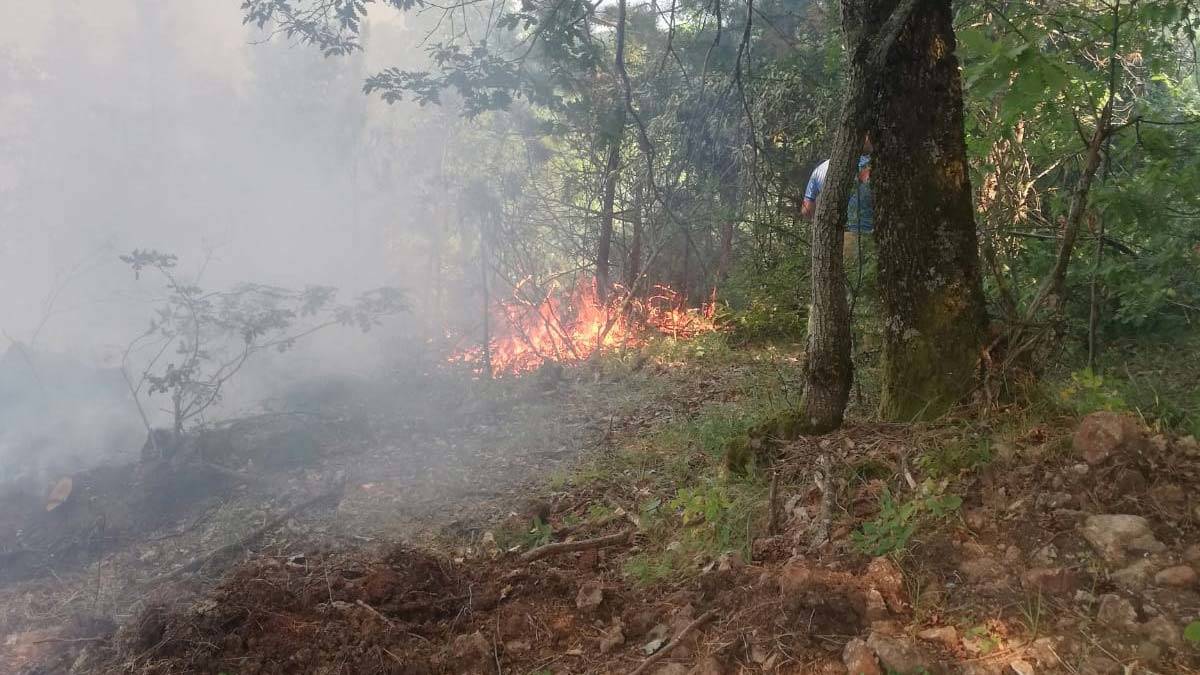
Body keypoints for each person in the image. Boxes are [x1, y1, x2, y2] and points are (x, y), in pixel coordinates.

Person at [801, 138, 873, 265]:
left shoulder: (820, 170)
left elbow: (806, 210)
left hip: (837, 238)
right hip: (872, 236)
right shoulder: (874, 166)